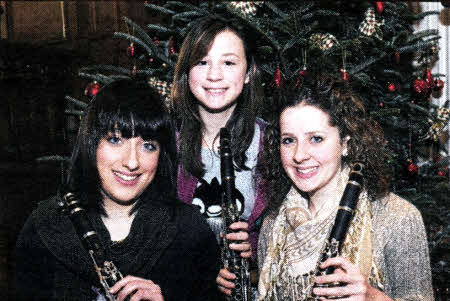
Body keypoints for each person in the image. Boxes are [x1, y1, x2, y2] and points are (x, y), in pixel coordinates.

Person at [14, 79, 220, 301]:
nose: (132, 162)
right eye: (115, 140)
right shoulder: (44, 227)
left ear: (162, 156)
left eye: (148, 145)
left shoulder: (190, 231)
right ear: (91, 144)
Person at [257, 76, 433, 300]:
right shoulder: (273, 225)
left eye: (316, 139)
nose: (299, 155)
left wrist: (372, 297)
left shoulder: (398, 218)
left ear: (346, 144)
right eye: (289, 140)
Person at [170, 15, 267, 296]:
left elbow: (292, 229)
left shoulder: (274, 144)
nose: (214, 76)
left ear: (248, 72)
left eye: (228, 62)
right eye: (202, 62)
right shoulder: (164, 145)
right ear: (187, 72)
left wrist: (256, 252)